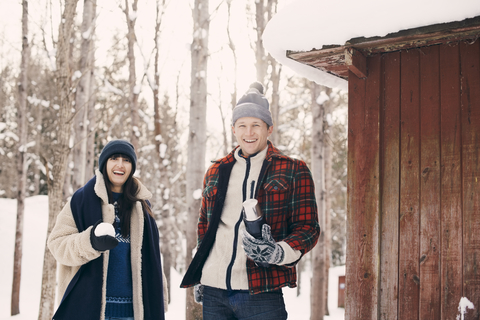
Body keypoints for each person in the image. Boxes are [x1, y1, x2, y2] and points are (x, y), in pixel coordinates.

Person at [181, 82, 320, 319]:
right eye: (242, 125)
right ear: (234, 129)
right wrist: (203, 271)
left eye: (256, 125)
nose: (249, 133)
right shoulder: (216, 170)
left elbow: (308, 228)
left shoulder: (293, 169)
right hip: (214, 291)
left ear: (269, 128)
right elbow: (205, 227)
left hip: (261, 291)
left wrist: (279, 252)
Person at [48, 139, 167, 320]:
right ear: (104, 163)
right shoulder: (80, 200)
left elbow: (153, 258)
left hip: (133, 313)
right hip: (87, 310)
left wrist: (160, 300)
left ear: (132, 167)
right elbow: (57, 245)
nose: (120, 165)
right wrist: (90, 242)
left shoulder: (141, 206)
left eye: (126, 160)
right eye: (114, 158)